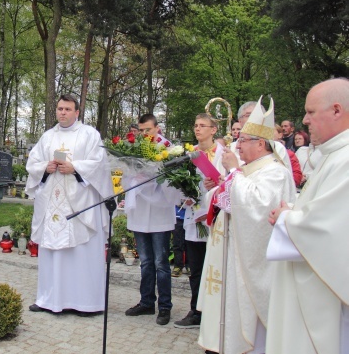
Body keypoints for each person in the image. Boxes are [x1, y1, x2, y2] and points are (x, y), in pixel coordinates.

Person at [197, 97, 297, 354]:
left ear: (261, 143)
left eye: (243, 140)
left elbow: (257, 207)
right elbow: (226, 199)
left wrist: (231, 174)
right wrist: (223, 182)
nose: (237, 145)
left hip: (250, 261)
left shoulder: (274, 171)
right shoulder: (249, 169)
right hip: (230, 255)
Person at [266, 78, 349, 354]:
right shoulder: (332, 155)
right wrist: (294, 211)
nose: (305, 120)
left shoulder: (345, 158)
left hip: (326, 298)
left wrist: (285, 219)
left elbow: (329, 230)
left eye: (311, 112)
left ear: (337, 110)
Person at [25, 94, 113, 315]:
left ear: (77, 112)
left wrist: (75, 168)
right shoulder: (47, 137)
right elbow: (32, 163)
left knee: (80, 254)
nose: (62, 112)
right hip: (53, 201)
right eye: (60, 109)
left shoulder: (90, 135)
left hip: (79, 204)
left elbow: (99, 164)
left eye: (67, 109)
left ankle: (85, 303)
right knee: (53, 254)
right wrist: (46, 166)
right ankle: (49, 300)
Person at [124, 113, 180, 325]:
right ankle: (146, 302)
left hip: (159, 211)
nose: (145, 134)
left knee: (161, 262)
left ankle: (165, 306)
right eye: (142, 130)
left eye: (148, 130)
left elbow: (174, 182)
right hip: (140, 209)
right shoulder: (136, 147)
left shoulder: (167, 149)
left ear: (157, 128)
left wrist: (154, 174)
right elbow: (126, 176)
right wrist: (133, 175)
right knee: (145, 261)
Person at [174, 114, 225, 329]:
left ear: (214, 130)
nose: (198, 129)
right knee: (195, 268)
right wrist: (188, 193)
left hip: (217, 217)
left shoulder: (225, 154)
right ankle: (196, 310)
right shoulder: (190, 154)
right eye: (195, 125)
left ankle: (217, 311)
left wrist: (216, 182)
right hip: (195, 215)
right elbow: (180, 184)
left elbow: (234, 179)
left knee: (215, 267)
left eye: (202, 126)